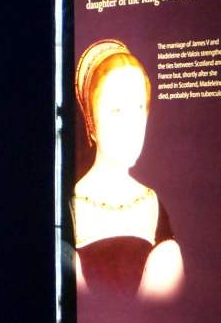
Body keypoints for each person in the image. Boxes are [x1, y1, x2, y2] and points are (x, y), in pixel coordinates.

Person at [72, 40, 183, 299]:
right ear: (91, 120)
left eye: (139, 107)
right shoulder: (70, 205)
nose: (131, 126)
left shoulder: (153, 205)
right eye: (116, 109)